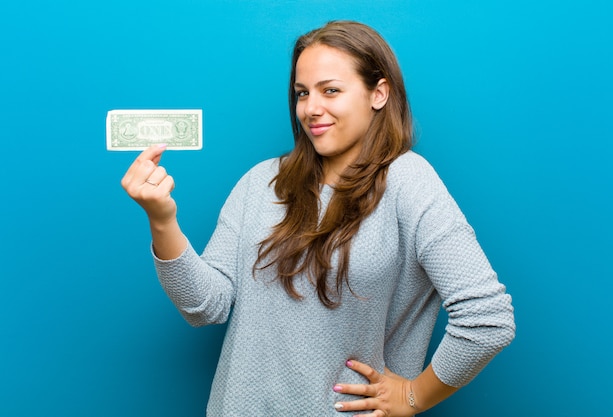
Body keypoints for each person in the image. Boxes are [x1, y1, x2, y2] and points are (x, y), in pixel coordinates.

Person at [122, 20, 515, 417]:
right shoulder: (262, 181)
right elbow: (206, 307)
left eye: (330, 90)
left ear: (378, 93)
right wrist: (162, 219)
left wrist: (415, 396)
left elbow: (488, 318)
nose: (311, 108)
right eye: (302, 93)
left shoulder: (408, 181)